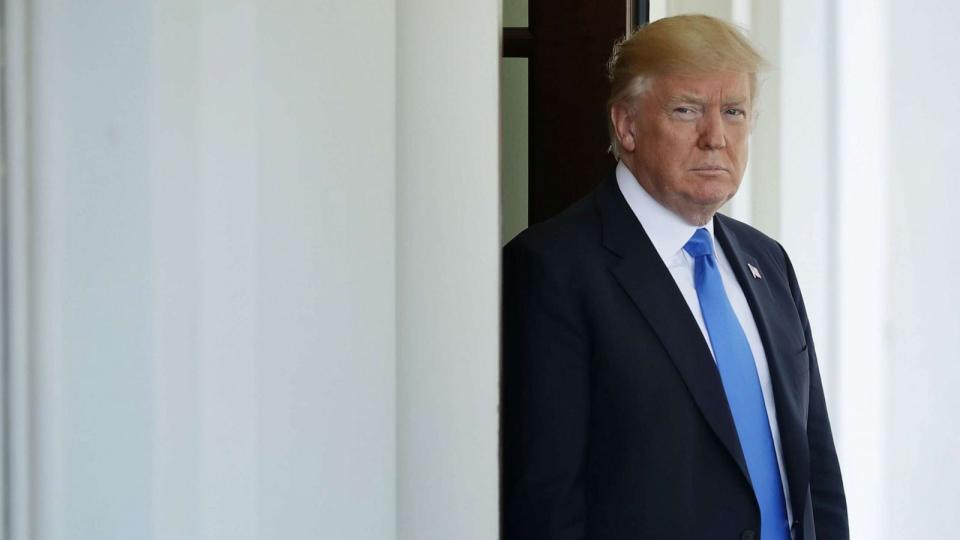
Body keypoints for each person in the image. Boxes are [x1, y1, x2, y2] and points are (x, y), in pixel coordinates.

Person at [502, 14, 848, 540]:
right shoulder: (551, 269)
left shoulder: (767, 261)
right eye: (687, 111)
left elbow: (816, 469)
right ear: (628, 126)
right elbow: (545, 500)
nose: (715, 137)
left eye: (733, 112)